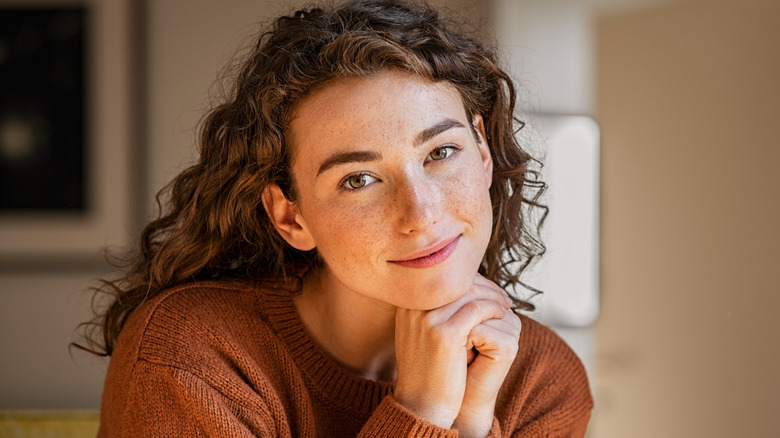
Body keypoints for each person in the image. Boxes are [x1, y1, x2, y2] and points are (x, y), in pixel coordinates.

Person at [78, 0, 593, 436]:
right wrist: (422, 412)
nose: (421, 213)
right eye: (358, 180)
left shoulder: (541, 379)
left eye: (441, 152)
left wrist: (474, 421)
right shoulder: (190, 354)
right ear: (291, 216)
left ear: (482, 151)